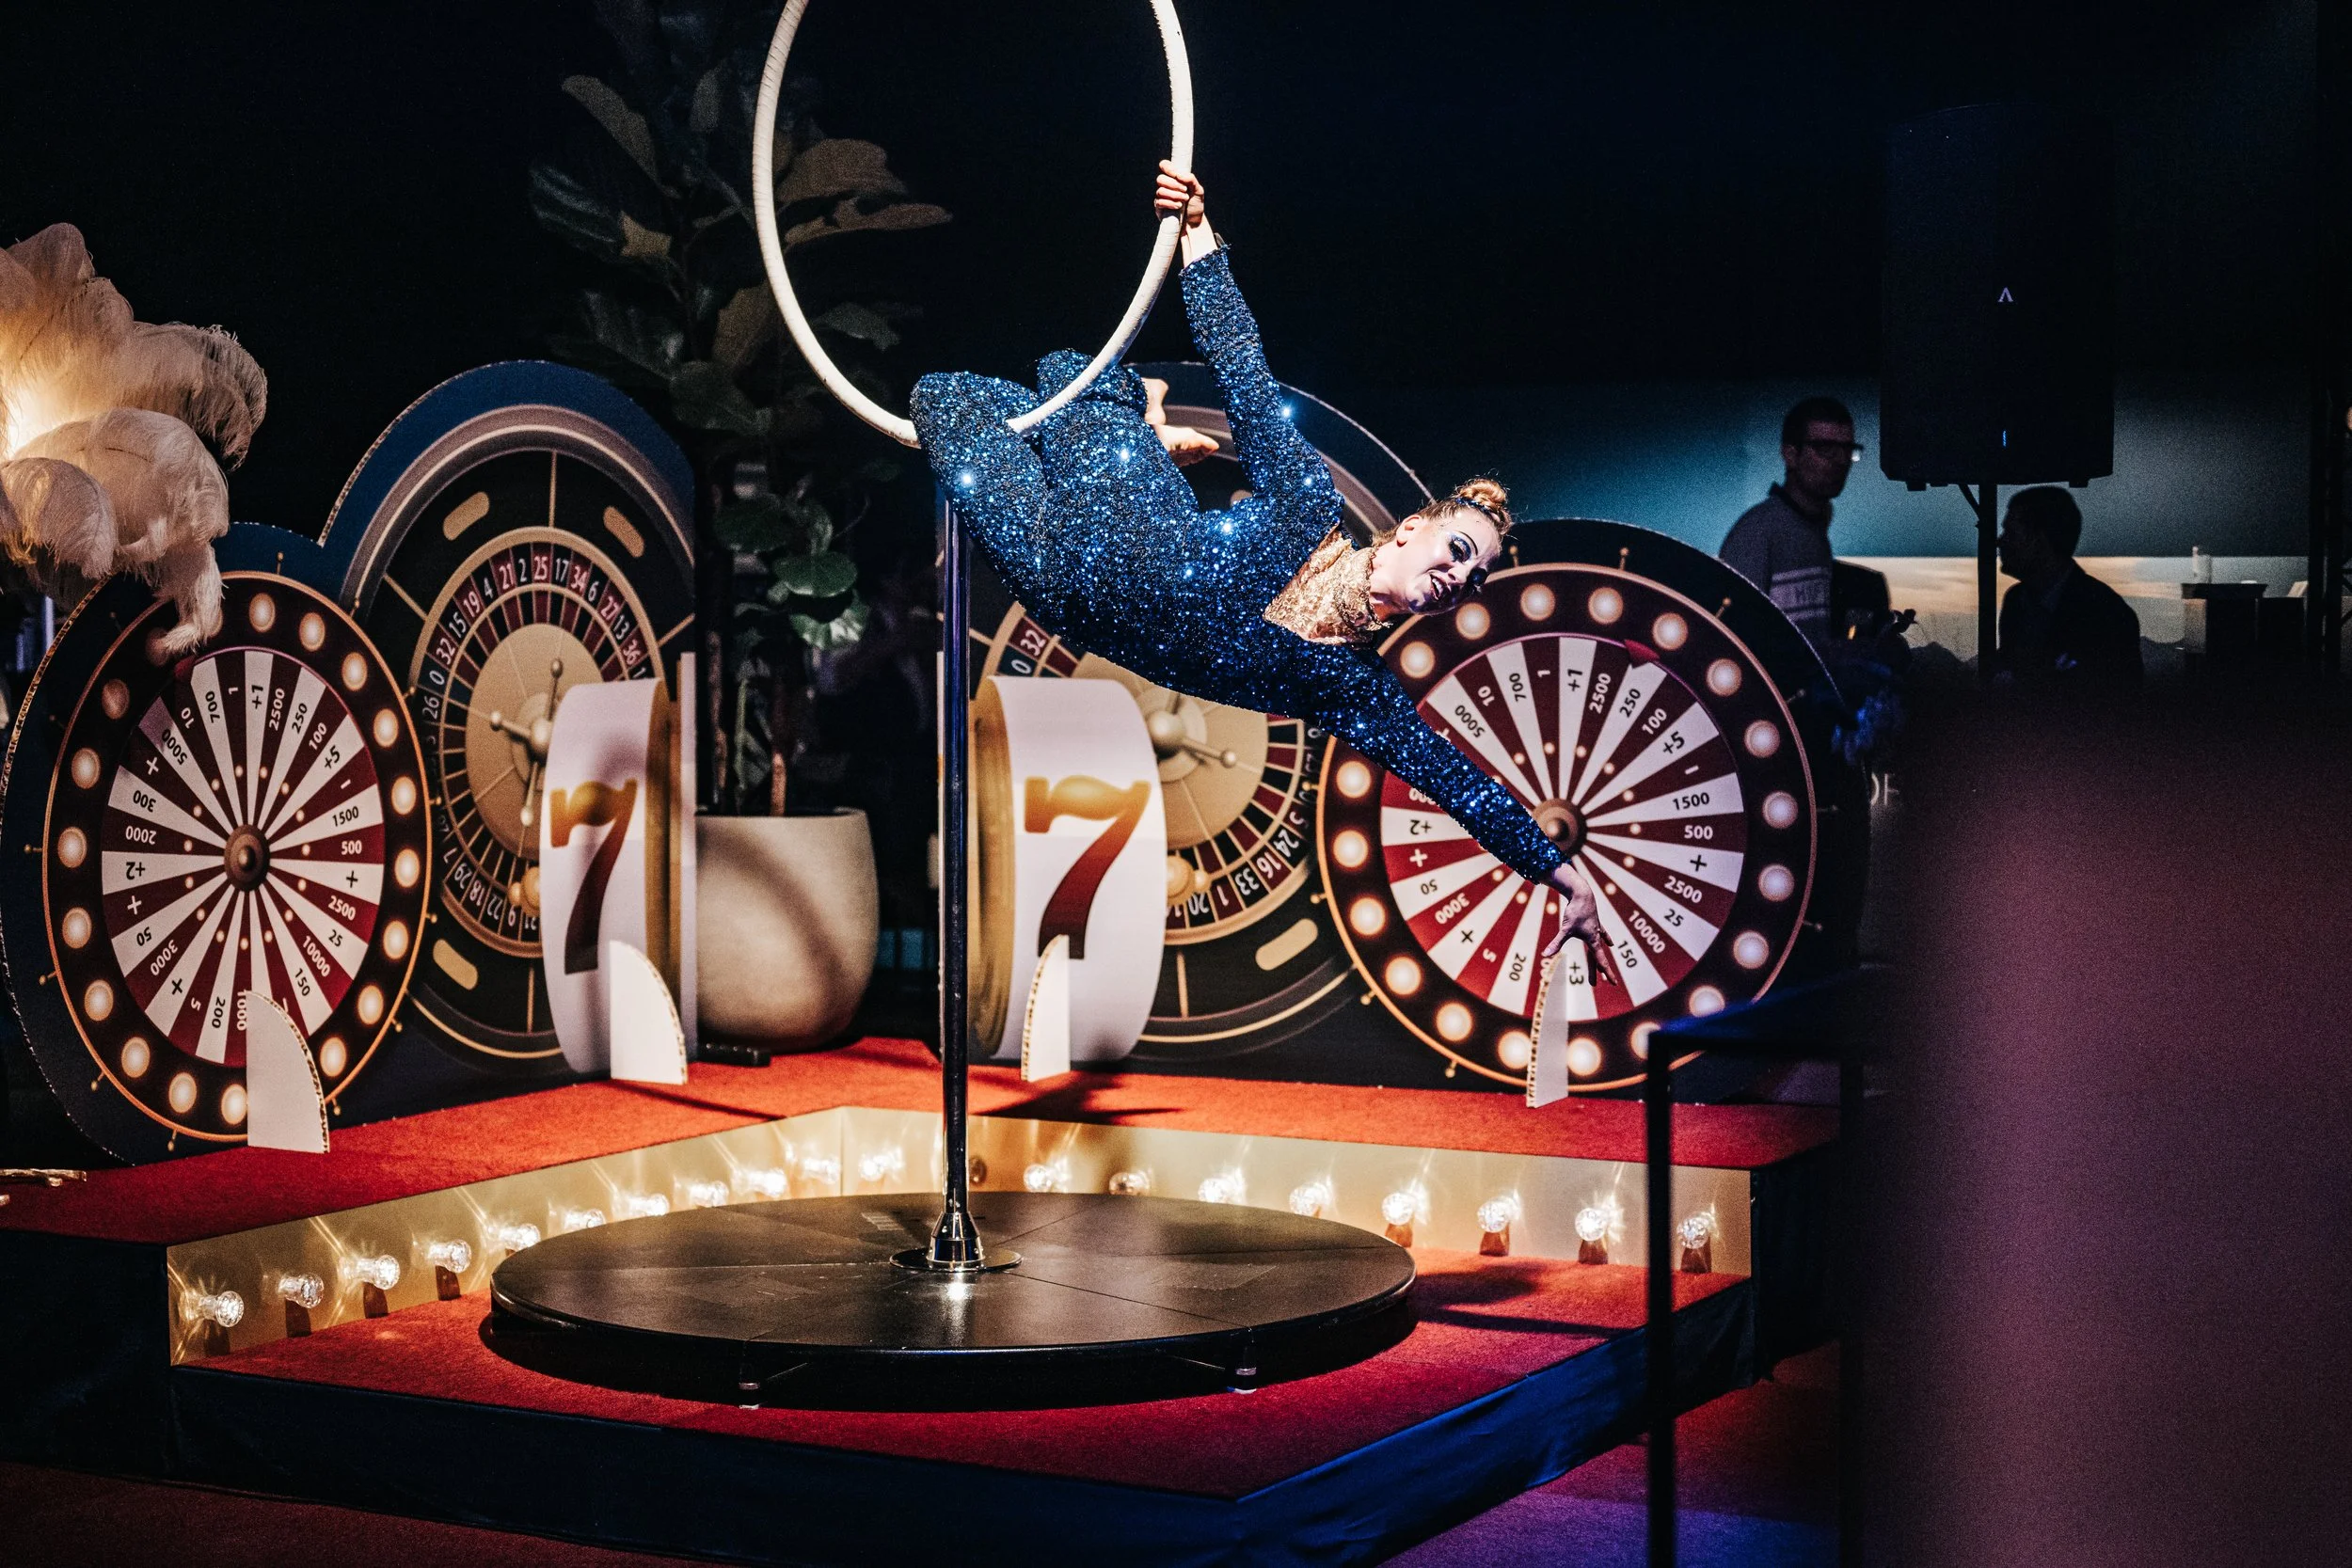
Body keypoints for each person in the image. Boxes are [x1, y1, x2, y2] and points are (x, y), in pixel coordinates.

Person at [913, 163, 1611, 974]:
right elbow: (1242, 362)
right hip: (1120, 500)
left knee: (947, 396)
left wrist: (1562, 871)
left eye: (1477, 576)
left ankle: (1145, 424)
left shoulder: (1347, 686)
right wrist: (1199, 230)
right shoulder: (1307, 501)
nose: (1462, 576)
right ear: (1408, 531)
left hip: (1053, 579)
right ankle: (1145, 426)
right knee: (1067, 369)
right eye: (1458, 550)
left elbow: (1456, 781)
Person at [1720, 396, 1861, 654]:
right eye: (1826, 449)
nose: (1840, 461)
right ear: (1790, 454)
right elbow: (1733, 635)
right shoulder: (1757, 532)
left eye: (1847, 449)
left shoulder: (1812, 528)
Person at [1994, 485, 2141, 689]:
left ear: (2040, 540)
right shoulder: (2016, 601)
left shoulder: (2107, 615)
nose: (2000, 541)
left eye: (2011, 532)